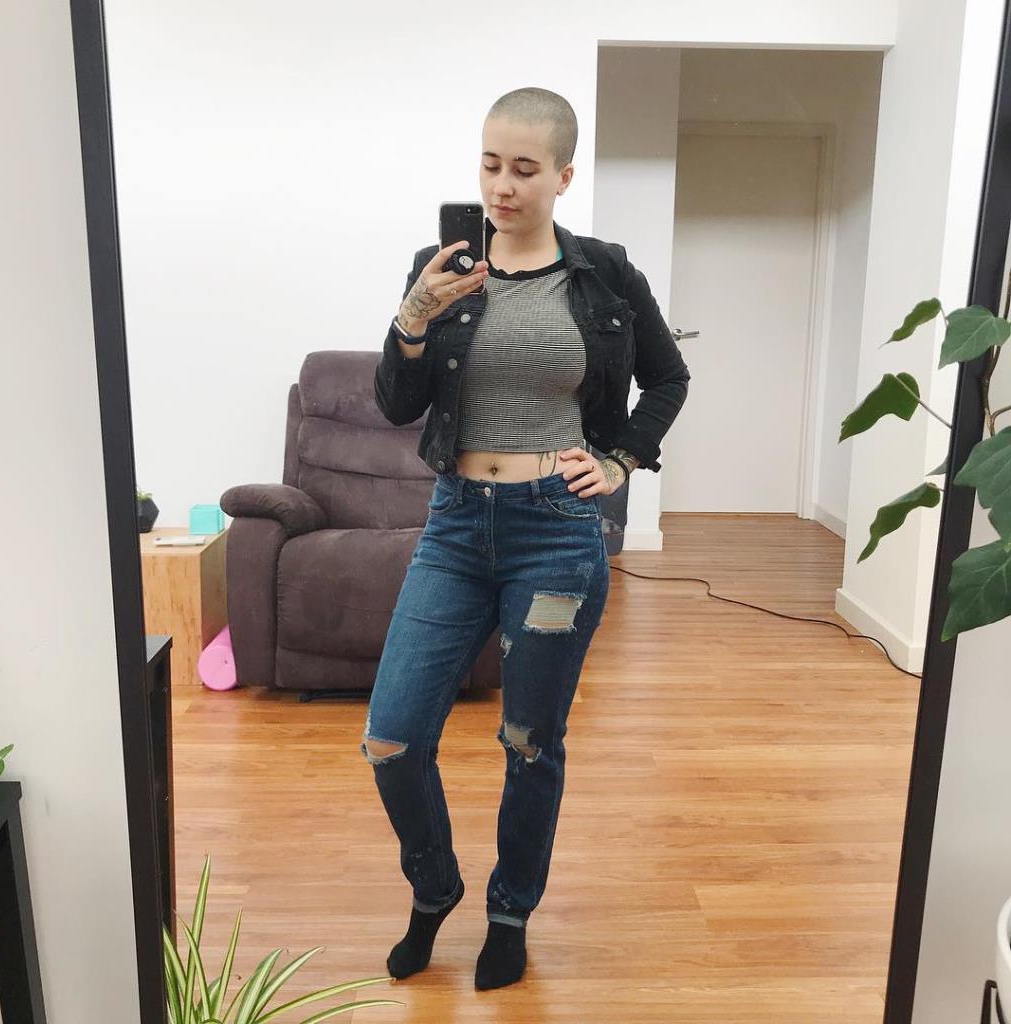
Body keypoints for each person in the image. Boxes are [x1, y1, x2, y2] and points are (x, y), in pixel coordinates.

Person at [364, 87, 691, 991]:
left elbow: (667, 378)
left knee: (529, 740)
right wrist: (414, 315)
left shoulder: (605, 275)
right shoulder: (443, 268)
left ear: (562, 176)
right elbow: (396, 403)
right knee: (392, 738)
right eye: (489, 165)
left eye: (523, 169)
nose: (501, 187)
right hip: (455, 528)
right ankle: (435, 889)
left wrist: (620, 460)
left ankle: (509, 913)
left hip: (555, 533)